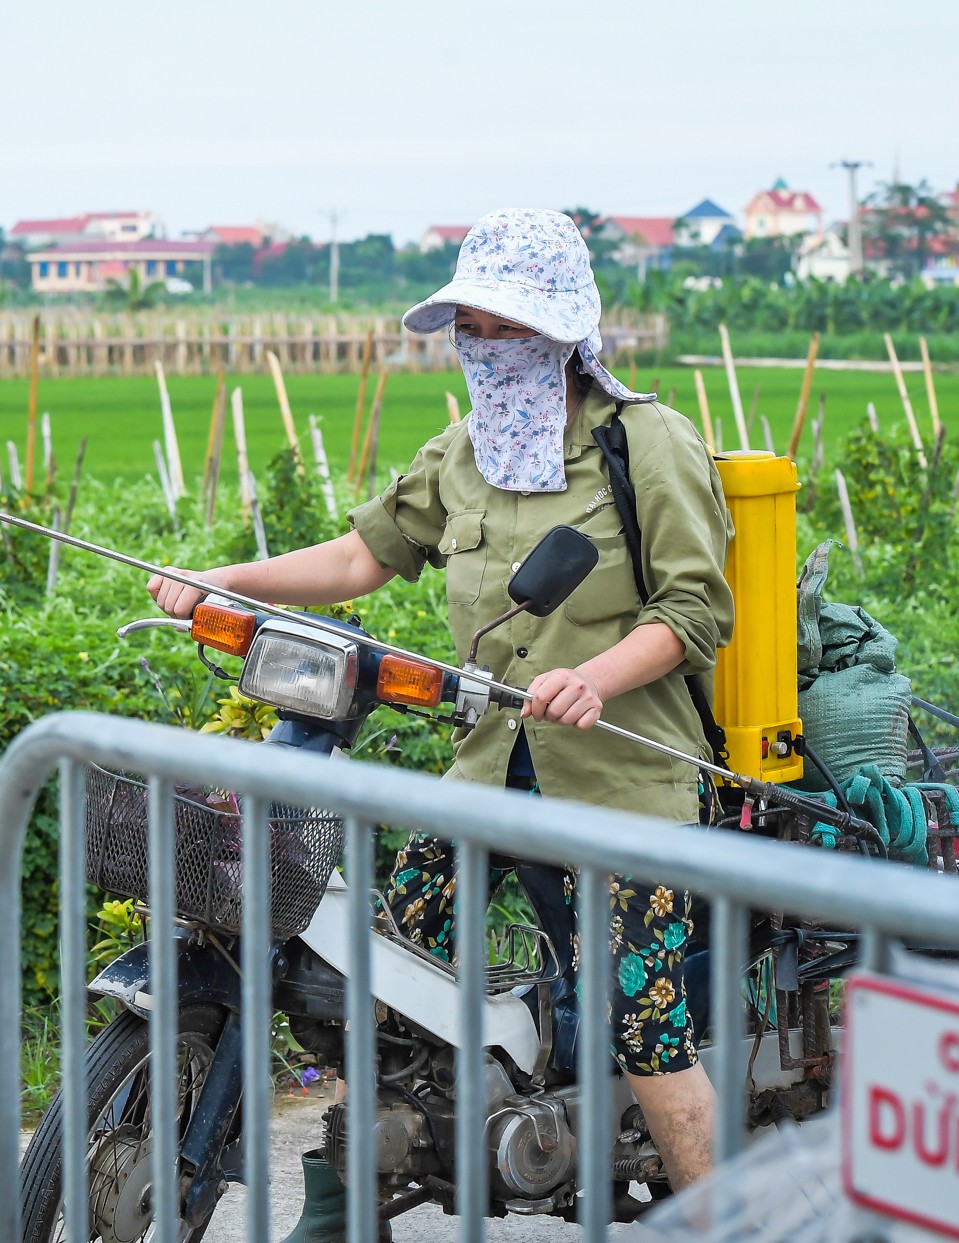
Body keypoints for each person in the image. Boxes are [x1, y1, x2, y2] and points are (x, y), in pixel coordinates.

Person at [147, 208, 735, 1235]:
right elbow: (360, 555)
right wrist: (225, 578)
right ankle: (345, 1210)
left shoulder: (648, 443)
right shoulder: (456, 453)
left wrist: (595, 675)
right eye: (467, 325)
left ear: (558, 331)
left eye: (502, 325)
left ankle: (727, 1219)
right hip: (486, 770)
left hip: (621, 781)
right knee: (380, 983)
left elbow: (694, 609)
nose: (482, 347)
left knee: (644, 1022)